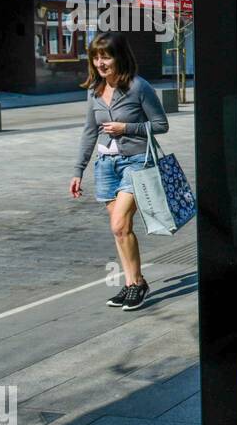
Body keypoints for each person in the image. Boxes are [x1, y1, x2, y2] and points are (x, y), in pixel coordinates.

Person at [69, 31, 169, 310]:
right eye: (96, 57)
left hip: (136, 162)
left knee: (119, 224)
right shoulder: (95, 91)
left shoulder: (139, 87)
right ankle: (133, 283)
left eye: (106, 56)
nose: (101, 63)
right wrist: (78, 170)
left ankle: (136, 284)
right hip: (106, 166)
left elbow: (161, 125)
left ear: (119, 57)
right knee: (121, 230)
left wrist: (127, 128)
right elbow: (89, 132)